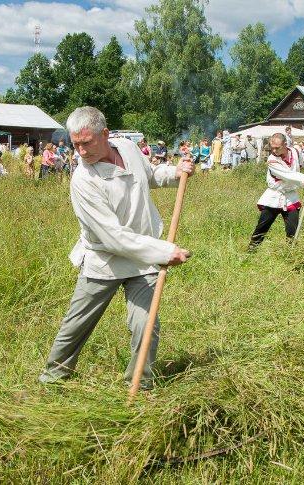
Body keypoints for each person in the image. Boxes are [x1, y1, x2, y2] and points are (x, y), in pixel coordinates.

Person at [38, 106, 194, 390]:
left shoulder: (128, 148)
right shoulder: (83, 181)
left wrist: (175, 172)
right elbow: (113, 238)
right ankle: (53, 378)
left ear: (105, 134)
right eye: (75, 144)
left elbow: (149, 175)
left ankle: (139, 385)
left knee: (146, 324)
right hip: (105, 260)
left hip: (143, 259)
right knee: (77, 324)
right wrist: (164, 252)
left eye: (87, 143)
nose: (81, 152)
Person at [248, 133, 304, 249]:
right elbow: (289, 175)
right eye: (272, 148)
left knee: (293, 230)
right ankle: (252, 250)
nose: (274, 151)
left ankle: (290, 252)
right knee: (262, 228)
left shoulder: (295, 152)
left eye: (277, 148)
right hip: (273, 197)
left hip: (291, 197)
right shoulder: (272, 160)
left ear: (285, 144)